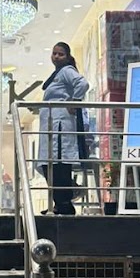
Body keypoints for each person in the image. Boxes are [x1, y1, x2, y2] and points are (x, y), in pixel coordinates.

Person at [37, 41, 89, 216]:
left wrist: (74, 101)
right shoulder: (57, 74)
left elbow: (82, 84)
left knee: (59, 165)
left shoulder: (67, 71)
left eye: (61, 54)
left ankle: (64, 204)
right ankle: (58, 203)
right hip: (51, 125)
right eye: (54, 53)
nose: (56, 57)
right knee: (49, 165)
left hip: (60, 126)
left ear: (67, 57)